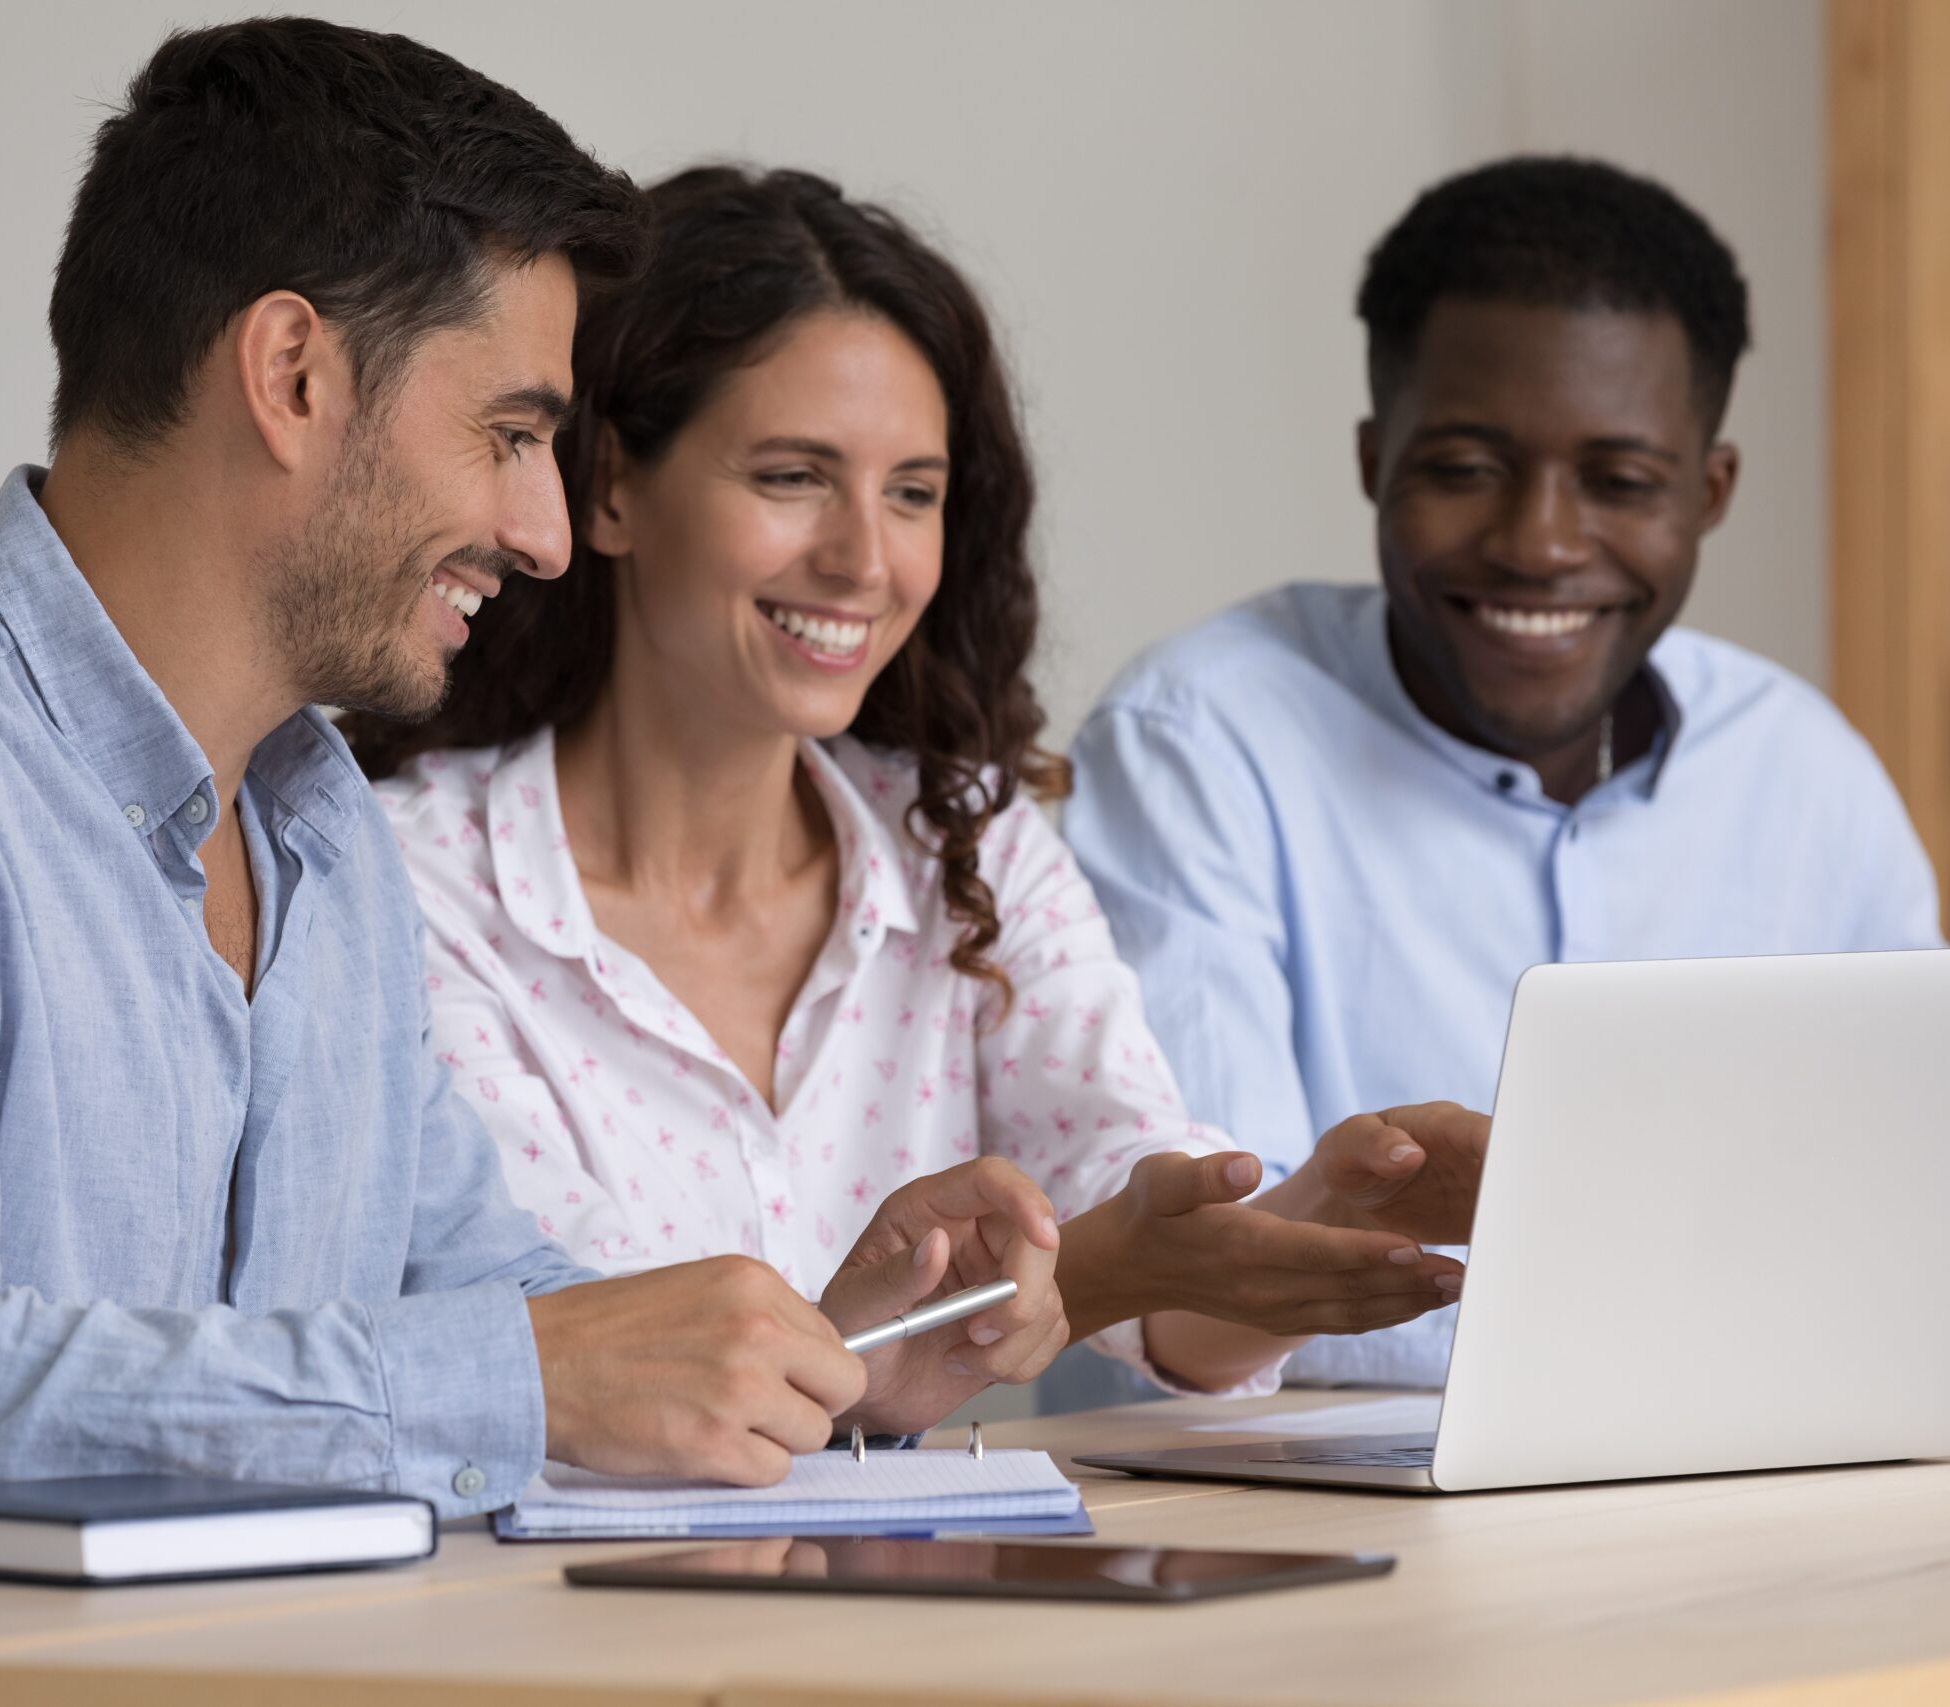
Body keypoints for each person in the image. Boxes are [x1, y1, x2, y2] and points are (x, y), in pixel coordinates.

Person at [0, 21, 1052, 1583]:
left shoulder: (322, 831)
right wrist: (524, 1379)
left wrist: (817, 1362)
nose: (544, 533)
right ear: (293, 373)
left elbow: (499, 1300)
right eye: (513, 432)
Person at [1063, 155, 1950, 1397]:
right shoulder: (1193, 742)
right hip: (1273, 1532)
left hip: (1724, 1513)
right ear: (1370, 460)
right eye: (1462, 467)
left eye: (1619, 482)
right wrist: (1813, 1307)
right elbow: (1211, 1287)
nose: (1539, 543)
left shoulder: (1793, 761)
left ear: (1708, 491)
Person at [349, 166, 1482, 1406]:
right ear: (610, 485)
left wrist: (1315, 1219)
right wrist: (1096, 1272)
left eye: (913, 494)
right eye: (790, 477)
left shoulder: (970, 846)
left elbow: (1158, 1253)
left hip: (914, 1594)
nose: (863, 561)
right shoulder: (409, 881)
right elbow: (594, 1353)